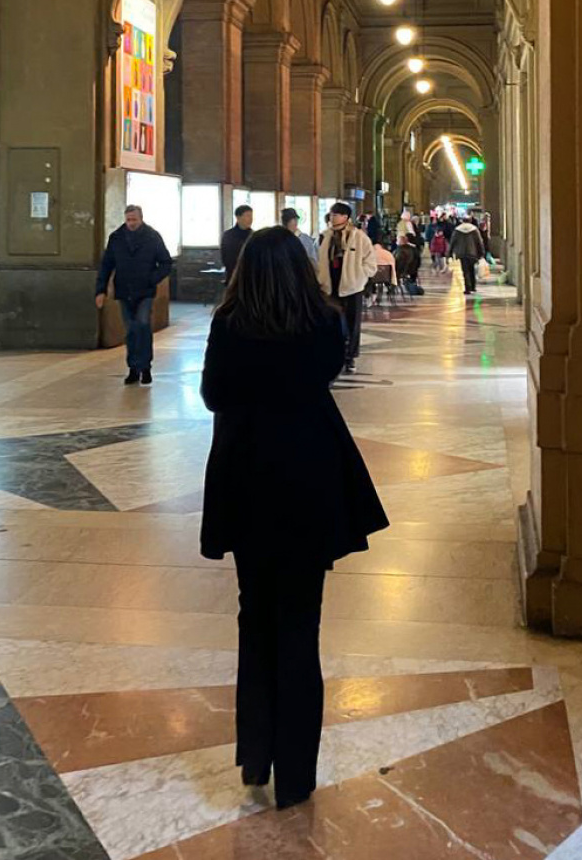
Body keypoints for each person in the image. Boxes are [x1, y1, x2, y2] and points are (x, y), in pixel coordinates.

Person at [200, 227, 388, 810]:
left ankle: (256, 755)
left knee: (254, 616)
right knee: (301, 626)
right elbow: (325, 376)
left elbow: (212, 395)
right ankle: (297, 776)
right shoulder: (324, 324)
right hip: (311, 478)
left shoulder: (228, 326)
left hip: (248, 478)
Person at [95, 204, 173, 384]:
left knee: (143, 326)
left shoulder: (152, 237)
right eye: (128, 220)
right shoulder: (116, 238)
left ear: (141, 218)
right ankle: (133, 368)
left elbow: (166, 263)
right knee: (131, 330)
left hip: (144, 291)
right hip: (124, 290)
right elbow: (106, 264)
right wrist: (100, 290)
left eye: (134, 220)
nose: (131, 223)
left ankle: (145, 367)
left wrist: (151, 279)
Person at [317, 201, 377, 372]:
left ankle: (350, 357)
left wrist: (360, 276)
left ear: (346, 217)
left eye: (336, 214)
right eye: (331, 214)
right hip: (329, 286)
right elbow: (317, 259)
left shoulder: (359, 237)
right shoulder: (324, 236)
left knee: (352, 323)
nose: (332, 217)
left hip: (352, 287)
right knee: (331, 322)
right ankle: (332, 355)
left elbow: (370, 262)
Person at [450, 216, 485, 296]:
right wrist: (482, 253)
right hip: (473, 253)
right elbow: (479, 242)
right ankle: (473, 286)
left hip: (461, 253)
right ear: (470, 221)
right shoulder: (474, 229)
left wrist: (449, 253)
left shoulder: (457, 230)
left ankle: (467, 288)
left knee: (465, 271)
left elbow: (452, 241)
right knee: (472, 269)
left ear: (462, 221)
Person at [220, 205, 254, 284]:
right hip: (234, 275)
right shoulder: (228, 235)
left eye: (251, 216)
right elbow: (226, 257)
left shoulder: (254, 235)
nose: (251, 219)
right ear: (238, 217)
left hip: (251, 276)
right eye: (247, 216)